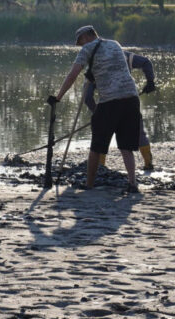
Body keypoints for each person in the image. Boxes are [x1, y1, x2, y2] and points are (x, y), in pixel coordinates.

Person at [48, 26, 141, 193]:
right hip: (131, 98)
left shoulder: (88, 48)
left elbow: (73, 74)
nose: (79, 45)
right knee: (126, 145)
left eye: (80, 41)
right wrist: (94, 74)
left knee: (97, 145)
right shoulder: (115, 44)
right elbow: (117, 69)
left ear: (86, 36)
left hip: (110, 101)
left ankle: (89, 184)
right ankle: (132, 183)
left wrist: (58, 97)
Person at [84, 51, 157, 170]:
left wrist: (96, 112)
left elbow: (87, 97)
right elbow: (146, 62)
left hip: (107, 105)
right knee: (138, 133)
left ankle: (101, 168)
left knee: (101, 138)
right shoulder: (124, 55)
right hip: (129, 101)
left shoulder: (94, 65)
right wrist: (150, 81)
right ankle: (148, 164)